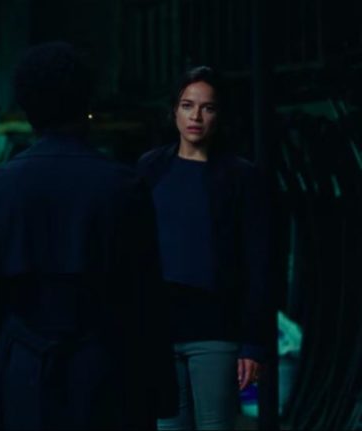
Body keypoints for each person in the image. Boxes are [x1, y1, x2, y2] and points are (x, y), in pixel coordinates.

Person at [0, 41, 177, 430]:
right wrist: (160, 393)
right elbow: (147, 299)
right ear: (86, 104)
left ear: (27, 107)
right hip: (108, 374)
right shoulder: (123, 187)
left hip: (24, 374)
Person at [136, 66, 272, 430]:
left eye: (207, 107)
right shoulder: (150, 169)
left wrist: (252, 344)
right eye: (187, 105)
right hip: (160, 330)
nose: (195, 116)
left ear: (219, 114)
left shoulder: (241, 177)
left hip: (216, 330)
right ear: (174, 111)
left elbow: (259, 262)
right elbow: (133, 252)